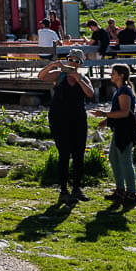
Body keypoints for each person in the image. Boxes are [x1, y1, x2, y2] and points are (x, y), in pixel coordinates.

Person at [38, 48, 93, 204]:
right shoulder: (59, 75)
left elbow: (90, 94)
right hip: (59, 118)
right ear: (67, 60)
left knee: (78, 155)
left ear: (81, 63)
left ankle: (76, 188)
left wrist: (78, 79)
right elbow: (41, 77)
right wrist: (53, 65)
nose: (73, 63)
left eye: (77, 61)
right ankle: (63, 189)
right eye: (71, 60)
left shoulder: (83, 77)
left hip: (78, 119)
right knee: (63, 154)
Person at [94, 63, 136, 209]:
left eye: (113, 73)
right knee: (114, 158)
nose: (111, 75)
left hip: (125, 130)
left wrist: (105, 114)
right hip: (119, 129)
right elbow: (120, 111)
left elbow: (125, 113)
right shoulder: (120, 90)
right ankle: (120, 190)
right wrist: (107, 120)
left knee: (125, 160)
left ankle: (132, 193)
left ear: (121, 75)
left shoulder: (124, 91)